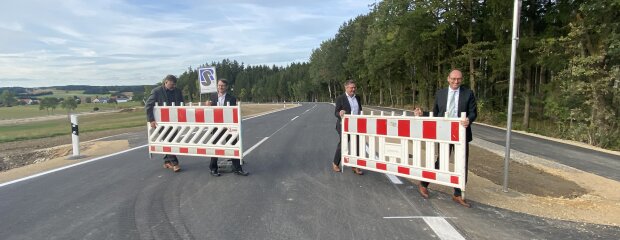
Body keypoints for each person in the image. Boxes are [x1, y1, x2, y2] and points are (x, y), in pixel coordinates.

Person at [413, 69, 477, 208]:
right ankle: (423, 183)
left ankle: (458, 194)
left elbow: (473, 112)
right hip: (444, 134)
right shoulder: (441, 93)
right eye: (453, 79)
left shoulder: (468, 93)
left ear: (461, 79)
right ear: (448, 79)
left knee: (462, 164)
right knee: (441, 161)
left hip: (462, 134)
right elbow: (435, 114)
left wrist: (469, 119)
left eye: (459, 79)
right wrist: (423, 114)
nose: (456, 81)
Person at [207, 79, 249, 177]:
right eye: (219, 85)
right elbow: (209, 112)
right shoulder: (212, 96)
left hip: (229, 127)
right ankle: (213, 169)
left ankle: (238, 169)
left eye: (222, 85)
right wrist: (208, 105)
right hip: (217, 127)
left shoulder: (232, 98)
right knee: (215, 147)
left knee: (233, 146)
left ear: (226, 87)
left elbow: (233, 113)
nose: (220, 87)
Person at [145, 74, 184, 172]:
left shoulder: (178, 91)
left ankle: (167, 161)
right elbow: (148, 105)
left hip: (174, 121)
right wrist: (151, 120)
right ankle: (175, 163)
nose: (173, 87)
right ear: (166, 82)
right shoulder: (156, 91)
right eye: (171, 85)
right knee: (168, 141)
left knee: (172, 140)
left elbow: (182, 104)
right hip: (161, 122)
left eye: (174, 85)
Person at [332, 80, 363, 175]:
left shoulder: (357, 97)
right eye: (351, 87)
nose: (353, 89)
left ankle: (355, 166)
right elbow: (336, 112)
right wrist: (340, 113)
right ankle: (335, 163)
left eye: (354, 87)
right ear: (346, 88)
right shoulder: (340, 98)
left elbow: (359, 109)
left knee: (357, 144)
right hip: (343, 125)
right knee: (344, 144)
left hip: (355, 125)